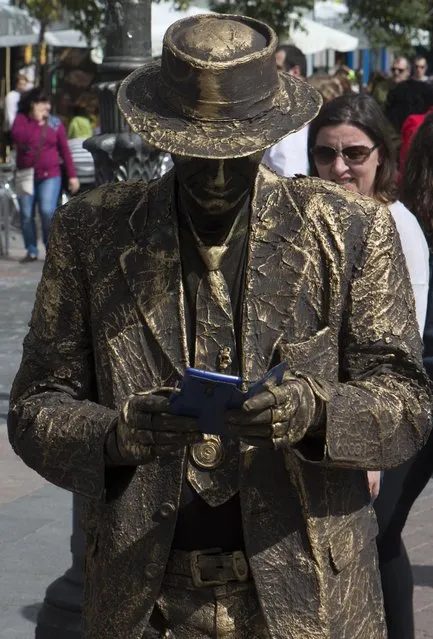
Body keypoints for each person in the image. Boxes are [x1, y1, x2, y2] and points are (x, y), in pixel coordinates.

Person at [8, 14, 431, 639]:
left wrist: (313, 412)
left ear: (267, 137)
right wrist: (113, 435)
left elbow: (407, 403)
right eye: (194, 155)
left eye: (235, 156)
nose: (214, 175)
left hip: (308, 600)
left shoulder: (351, 231)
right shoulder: (93, 233)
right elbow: (35, 406)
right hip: (142, 601)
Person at [308, 92, 430, 639]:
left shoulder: (396, 226)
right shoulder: (312, 216)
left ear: (381, 155)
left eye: (354, 154)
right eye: (325, 154)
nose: (339, 168)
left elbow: (397, 352)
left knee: (376, 536)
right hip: (329, 405)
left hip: (391, 408)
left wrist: (371, 447)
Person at [11, 87, 80, 263]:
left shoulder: (55, 124)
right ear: (33, 104)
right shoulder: (21, 120)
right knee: (26, 214)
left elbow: (65, 151)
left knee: (47, 210)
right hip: (26, 175)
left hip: (51, 175)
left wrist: (72, 176)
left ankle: (51, 248)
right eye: (43, 103)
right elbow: (19, 139)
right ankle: (31, 250)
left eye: (48, 103)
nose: (47, 107)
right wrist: (36, 122)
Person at [262, 44, 309, 176]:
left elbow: (289, 173)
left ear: (295, 71)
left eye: (277, 68)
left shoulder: (290, 115)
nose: (269, 75)